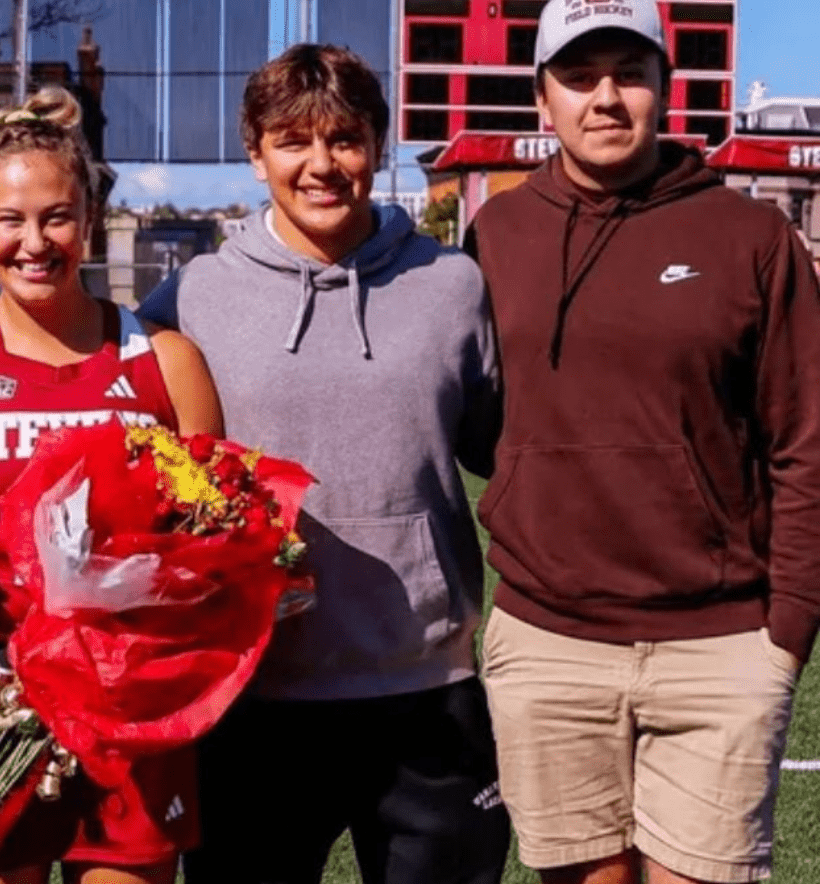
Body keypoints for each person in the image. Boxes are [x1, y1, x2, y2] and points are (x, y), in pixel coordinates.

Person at [465, 2, 820, 882]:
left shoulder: (750, 235)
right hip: (549, 639)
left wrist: (788, 630)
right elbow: (476, 425)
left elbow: (806, 438)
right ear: (543, 100)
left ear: (666, 89)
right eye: (580, 77)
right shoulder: (494, 237)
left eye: (629, 73)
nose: (606, 98)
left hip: (720, 642)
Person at [138, 43, 509, 884]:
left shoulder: (453, 285)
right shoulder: (192, 298)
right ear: (255, 150)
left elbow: (506, 452)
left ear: (378, 146)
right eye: (293, 141)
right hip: (254, 694)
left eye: (345, 139)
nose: (321, 165)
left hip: (425, 684)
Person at [0, 86, 224, 884]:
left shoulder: (165, 359)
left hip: (131, 711)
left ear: (87, 216)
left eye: (56, 216)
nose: (35, 241)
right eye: (10, 219)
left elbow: (221, 533)